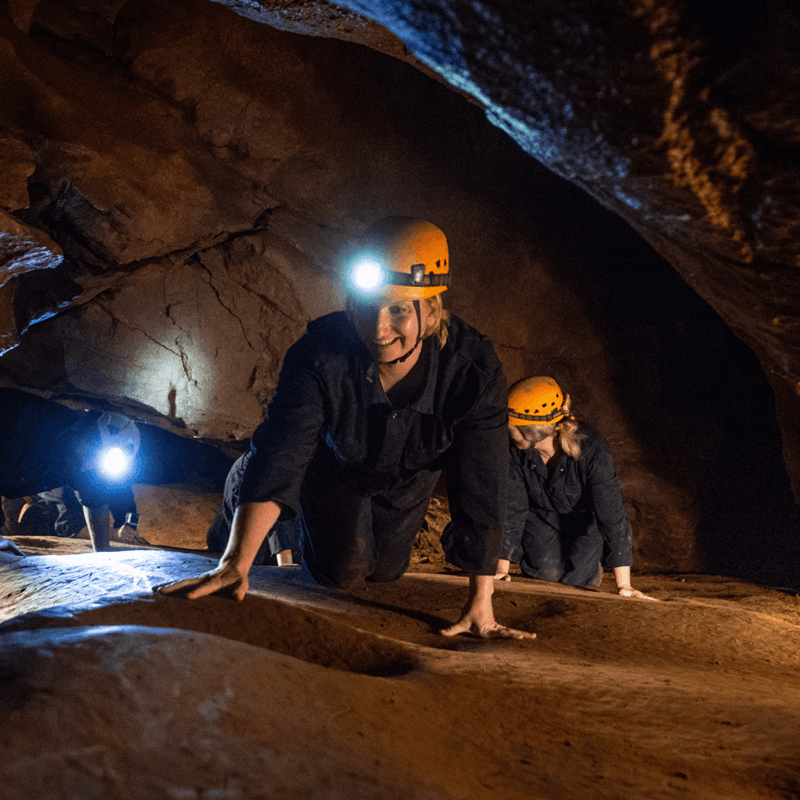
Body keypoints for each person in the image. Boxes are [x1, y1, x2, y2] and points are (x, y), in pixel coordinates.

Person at [158, 216, 535, 639]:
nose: (378, 328)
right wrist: (236, 563)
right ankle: (255, 489)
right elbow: (284, 451)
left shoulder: (473, 370)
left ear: (429, 311)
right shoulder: (319, 354)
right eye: (367, 306)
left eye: (396, 310)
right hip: (335, 465)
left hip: (410, 475)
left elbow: (483, 482)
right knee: (343, 573)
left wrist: (480, 603)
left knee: (387, 571)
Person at [496, 375, 655, 600]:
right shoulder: (515, 451)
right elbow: (513, 509)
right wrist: (501, 570)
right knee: (545, 574)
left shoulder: (592, 451)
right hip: (540, 517)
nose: (506, 430)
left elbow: (612, 516)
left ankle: (591, 567)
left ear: (532, 431)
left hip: (584, 521)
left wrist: (624, 585)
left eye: (510, 425)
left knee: (576, 579)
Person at [0, 388, 143, 551]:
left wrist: (108, 550)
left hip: (15, 481)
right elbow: (69, 527)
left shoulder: (86, 464)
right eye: (91, 454)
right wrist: (114, 534)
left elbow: (100, 503)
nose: (88, 465)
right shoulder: (34, 426)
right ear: (86, 433)